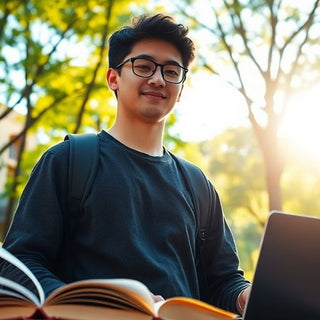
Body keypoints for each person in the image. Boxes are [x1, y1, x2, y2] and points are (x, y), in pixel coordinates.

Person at [1, 13, 250, 314]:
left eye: (172, 71)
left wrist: (246, 295)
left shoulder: (198, 185)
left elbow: (223, 280)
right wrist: (95, 304)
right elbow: (21, 264)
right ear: (113, 78)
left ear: (181, 89)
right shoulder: (67, 161)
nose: (158, 79)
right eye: (144, 66)